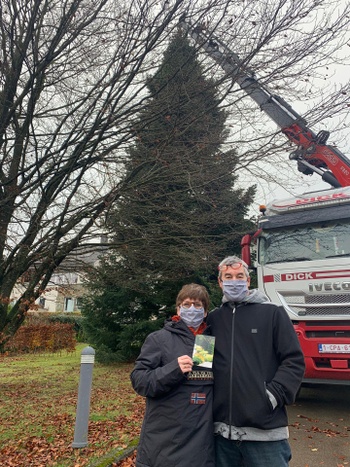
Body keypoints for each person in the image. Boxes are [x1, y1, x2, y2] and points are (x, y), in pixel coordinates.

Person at [206, 256, 305, 467]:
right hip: (222, 436)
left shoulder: (273, 313)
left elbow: (294, 360)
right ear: (220, 282)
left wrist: (272, 396)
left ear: (248, 280)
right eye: (228, 277)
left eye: (239, 276)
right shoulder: (213, 319)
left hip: (265, 434)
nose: (234, 281)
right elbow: (201, 363)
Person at [130, 283, 215, 467]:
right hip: (165, 442)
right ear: (178, 308)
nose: (192, 309)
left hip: (201, 444)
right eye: (187, 304)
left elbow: (203, 383)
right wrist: (172, 369)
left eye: (198, 305)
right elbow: (140, 381)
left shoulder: (207, 342)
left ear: (205, 311)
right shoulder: (159, 338)